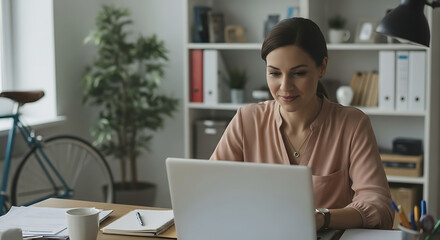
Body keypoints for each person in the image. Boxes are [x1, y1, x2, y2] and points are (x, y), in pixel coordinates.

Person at [210, 17, 394, 230]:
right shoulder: (246, 120)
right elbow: (212, 189)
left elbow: (379, 205)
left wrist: (322, 219)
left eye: (299, 73)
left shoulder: (352, 124)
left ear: (322, 67)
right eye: (274, 73)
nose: (285, 86)